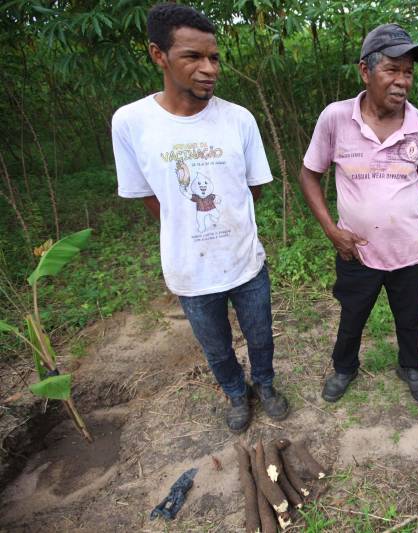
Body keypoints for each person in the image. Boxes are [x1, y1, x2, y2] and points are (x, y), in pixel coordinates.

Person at [111, 3, 288, 434]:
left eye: (214, 58)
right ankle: (234, 393)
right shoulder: (132, 123)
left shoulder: (238, 119)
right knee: (216, 346)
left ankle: (264, 385)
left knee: (261, 336)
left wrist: (227, 222)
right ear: (159, 55)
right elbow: (150, 197)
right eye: (193, 57)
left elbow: (254, 188)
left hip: (246, 261)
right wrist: (188, 227)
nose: (209, 68)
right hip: (189, 269)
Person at [299, 24, 418, 404]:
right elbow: (309, 174)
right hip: (356, 250)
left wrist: (391, 204)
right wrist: (332, 230)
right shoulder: (336, 119)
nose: (402, 81)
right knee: (352, 315)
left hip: (408, 250)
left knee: (409, 317)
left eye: (408, 72)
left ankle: (410, 366)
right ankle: (345, 368)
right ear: (365, 71)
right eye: (392, 70)